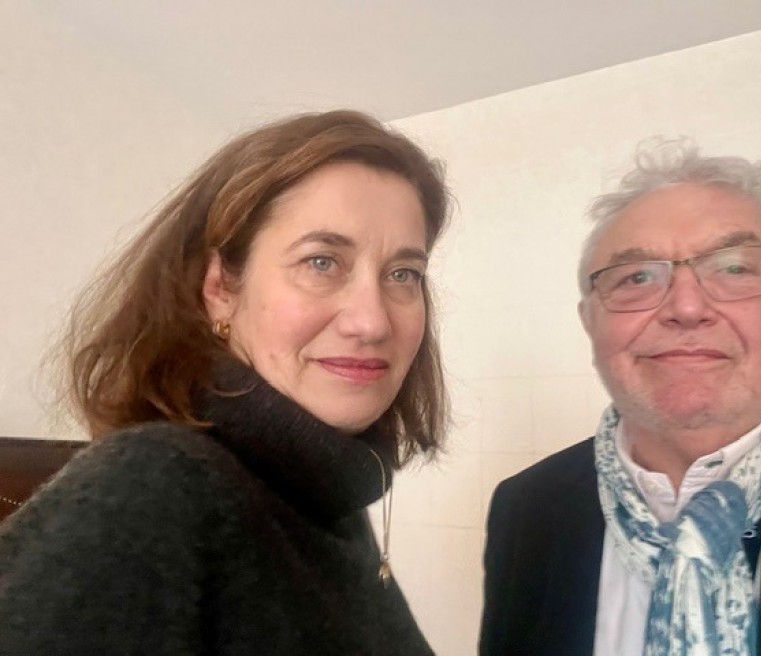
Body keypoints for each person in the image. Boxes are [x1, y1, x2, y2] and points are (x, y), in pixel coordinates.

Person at [0, 109, 451, 655]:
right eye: (321, 262)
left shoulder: (324, 499)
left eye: (403, 274)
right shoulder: (154, 486)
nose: (372, 321)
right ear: (219, 289)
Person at [479, 138, 761, 656]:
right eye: (637, 277)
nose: (686, 308)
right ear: (590, 321)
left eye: (734, 268)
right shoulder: (526, 509)